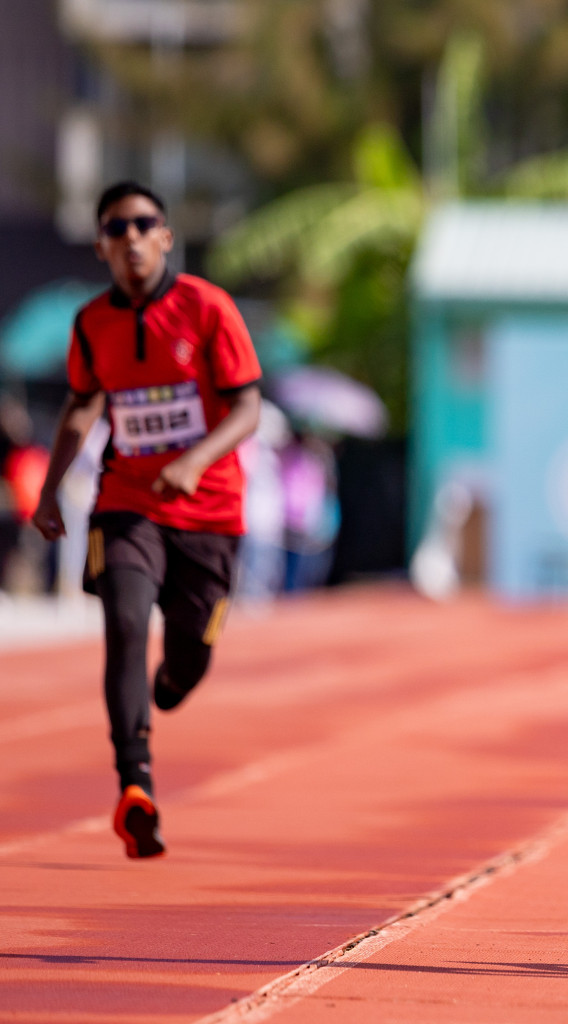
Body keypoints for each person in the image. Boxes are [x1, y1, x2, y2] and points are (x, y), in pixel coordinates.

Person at [31, 182, 262, 859]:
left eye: (144, 223)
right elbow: (81, 406)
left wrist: (194, 462)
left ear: (165, 236)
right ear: (101, 244)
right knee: (126, 621)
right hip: (128, 500)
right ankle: (135, 783)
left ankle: (175, 679)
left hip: (211, 510)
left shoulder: (206, 308)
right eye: (116, 227)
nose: (131, 236)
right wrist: (49, 491)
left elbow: (248, 409)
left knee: (188, 657)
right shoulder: (90, 323)